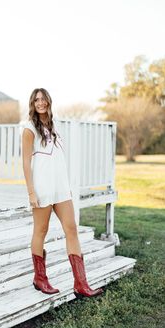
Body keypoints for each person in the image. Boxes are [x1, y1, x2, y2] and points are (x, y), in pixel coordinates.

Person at [22, 88, 103, 298]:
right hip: (42, 187)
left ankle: (81, 283)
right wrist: (31, 192)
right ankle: (40, 278)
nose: (40, 103)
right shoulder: (29, 128)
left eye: (43, 99)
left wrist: (65, 185)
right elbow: (25, 161)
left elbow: (58, 159)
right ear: (32, 103)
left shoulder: (55, 126)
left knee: (71, 228)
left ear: (49, 101)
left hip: (60, 188)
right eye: (36, 100)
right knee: (41, 231)